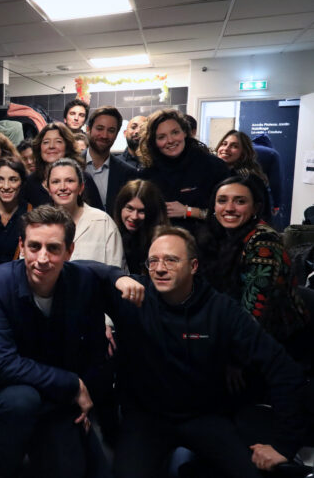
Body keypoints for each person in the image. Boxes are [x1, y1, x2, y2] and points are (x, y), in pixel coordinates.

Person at [101, 227, 306, 478]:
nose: (160, 268)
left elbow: (284, 369)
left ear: (194, 266)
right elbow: (81, 271)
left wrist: (284, 444)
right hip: (146, 419)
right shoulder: (134, 296)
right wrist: (116, 276)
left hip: (204, 416)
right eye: (153, 261)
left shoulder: (220, 310)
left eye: (171, 260)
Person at [0, 204, 135, 478]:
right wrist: (73, 385)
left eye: (53, 248)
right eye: (34, 246)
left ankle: (50, 437)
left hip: (61, 397)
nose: (42, 258)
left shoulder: (83, 281)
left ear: (69, 251)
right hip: (16, 389)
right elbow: (4, 364)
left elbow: (95, 351)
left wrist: (83, 397)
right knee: (21, 402)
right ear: (22, 246)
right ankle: (9, 461)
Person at [195, 175, 309, 353]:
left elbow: (254, 313)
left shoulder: (263, 241)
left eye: (240, 201)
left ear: (255, 208)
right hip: (231, 327)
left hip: (273, 341)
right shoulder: (216, 234)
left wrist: (235, 358)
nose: (229, 208)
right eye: (222, 201)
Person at [139, 109, 230, 232]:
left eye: (175, 132)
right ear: (153, 142)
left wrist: (189, 211)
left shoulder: (213, 166)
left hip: (207, 244)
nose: (170, 140)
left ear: (185, 132)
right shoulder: (147, 173)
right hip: (162, 243)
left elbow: (229, 213)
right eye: (161, 137)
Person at [48, 158, 125, 268]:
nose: (63, 187)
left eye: (70, 181)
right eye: (56, 182)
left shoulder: (102, 222)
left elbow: (116, 271)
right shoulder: (38, 223)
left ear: (81, 187)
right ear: (49, 190)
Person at [22, 121, 101, 208]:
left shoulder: (84, 178)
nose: (51, 146)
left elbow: (99, 215)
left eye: (58, 141)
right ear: (39, 148)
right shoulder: (30, 182)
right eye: (46, 142)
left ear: (67, 147)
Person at [83, 106, 138, 212]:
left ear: (117, 134)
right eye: (99, 128)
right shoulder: (71, 165)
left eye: (111, 130)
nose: (104, 135)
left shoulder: (128, 173)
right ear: (88, 129)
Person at [112, 179, 169, 274]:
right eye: (129, 208)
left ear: (152, 213)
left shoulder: (162, 242)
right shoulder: (111, 234)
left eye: (141, 211)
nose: (134, 217)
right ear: (120, 207)